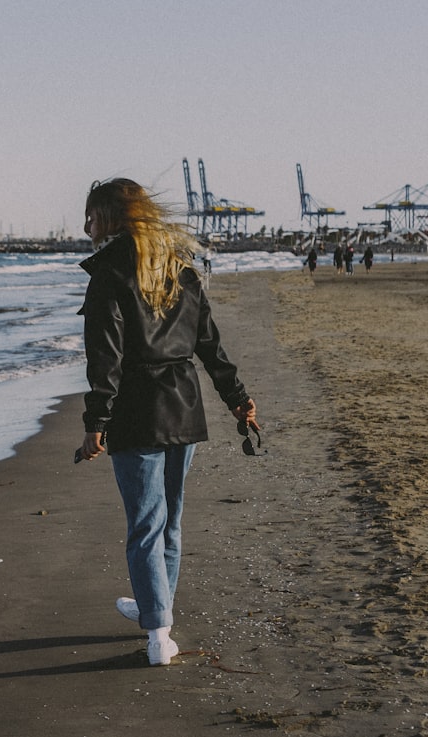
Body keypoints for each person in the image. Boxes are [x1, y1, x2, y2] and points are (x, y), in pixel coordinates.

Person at [76, 178, 259, 666]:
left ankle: (157, 633)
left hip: (136, 411)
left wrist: (96, 420)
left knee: (145, 525)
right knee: (168, 523)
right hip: (184, 405)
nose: (86, 226)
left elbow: (105, 357)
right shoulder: (182, 270)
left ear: (112, 218)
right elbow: (210, 346)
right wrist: (238, 399)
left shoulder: (108, 274)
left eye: (91, 216)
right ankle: (156, 611)